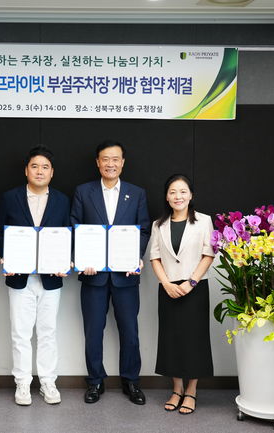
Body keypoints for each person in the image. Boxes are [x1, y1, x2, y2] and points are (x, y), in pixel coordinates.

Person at [70, 140, 150, 405]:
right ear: (98, 162)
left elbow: (143, 229)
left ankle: (131, 381)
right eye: (105, 159)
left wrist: (135, 257)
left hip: (125, 276)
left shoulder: (136, 193)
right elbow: (75, 227)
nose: (110, 164)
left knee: (130, 331)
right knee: (93, 332)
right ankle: (95, 381)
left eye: (115, 159)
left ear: (123, 163)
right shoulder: (84, 192)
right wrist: (81, 258)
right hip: (93, 276)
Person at [0, 145, 70, 406]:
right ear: (26, 170)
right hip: (19, 276)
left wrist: (65, 261)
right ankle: (23, 383)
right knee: (20, 332)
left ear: (52, 172)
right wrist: (5, 257)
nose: (40, 171)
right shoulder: (10, 197)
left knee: (48, 332)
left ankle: (48, 381)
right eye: (35, 166)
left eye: (45, 167)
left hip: (51, 277)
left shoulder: (62, 200)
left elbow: (67, 233)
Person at [149, 174, 215, 415]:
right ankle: (176, 389)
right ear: (167, 197)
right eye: (173, 192)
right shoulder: (158, 225)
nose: (178, 196)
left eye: (183, 191)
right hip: (168, 289)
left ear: (191, 195)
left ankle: (191, 391)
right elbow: (155, 257)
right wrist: (166, 283)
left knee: (194, 339)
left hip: (195, 288)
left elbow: (209, 254)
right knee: (172, 339)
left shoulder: (204, 221)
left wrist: (191, 282)